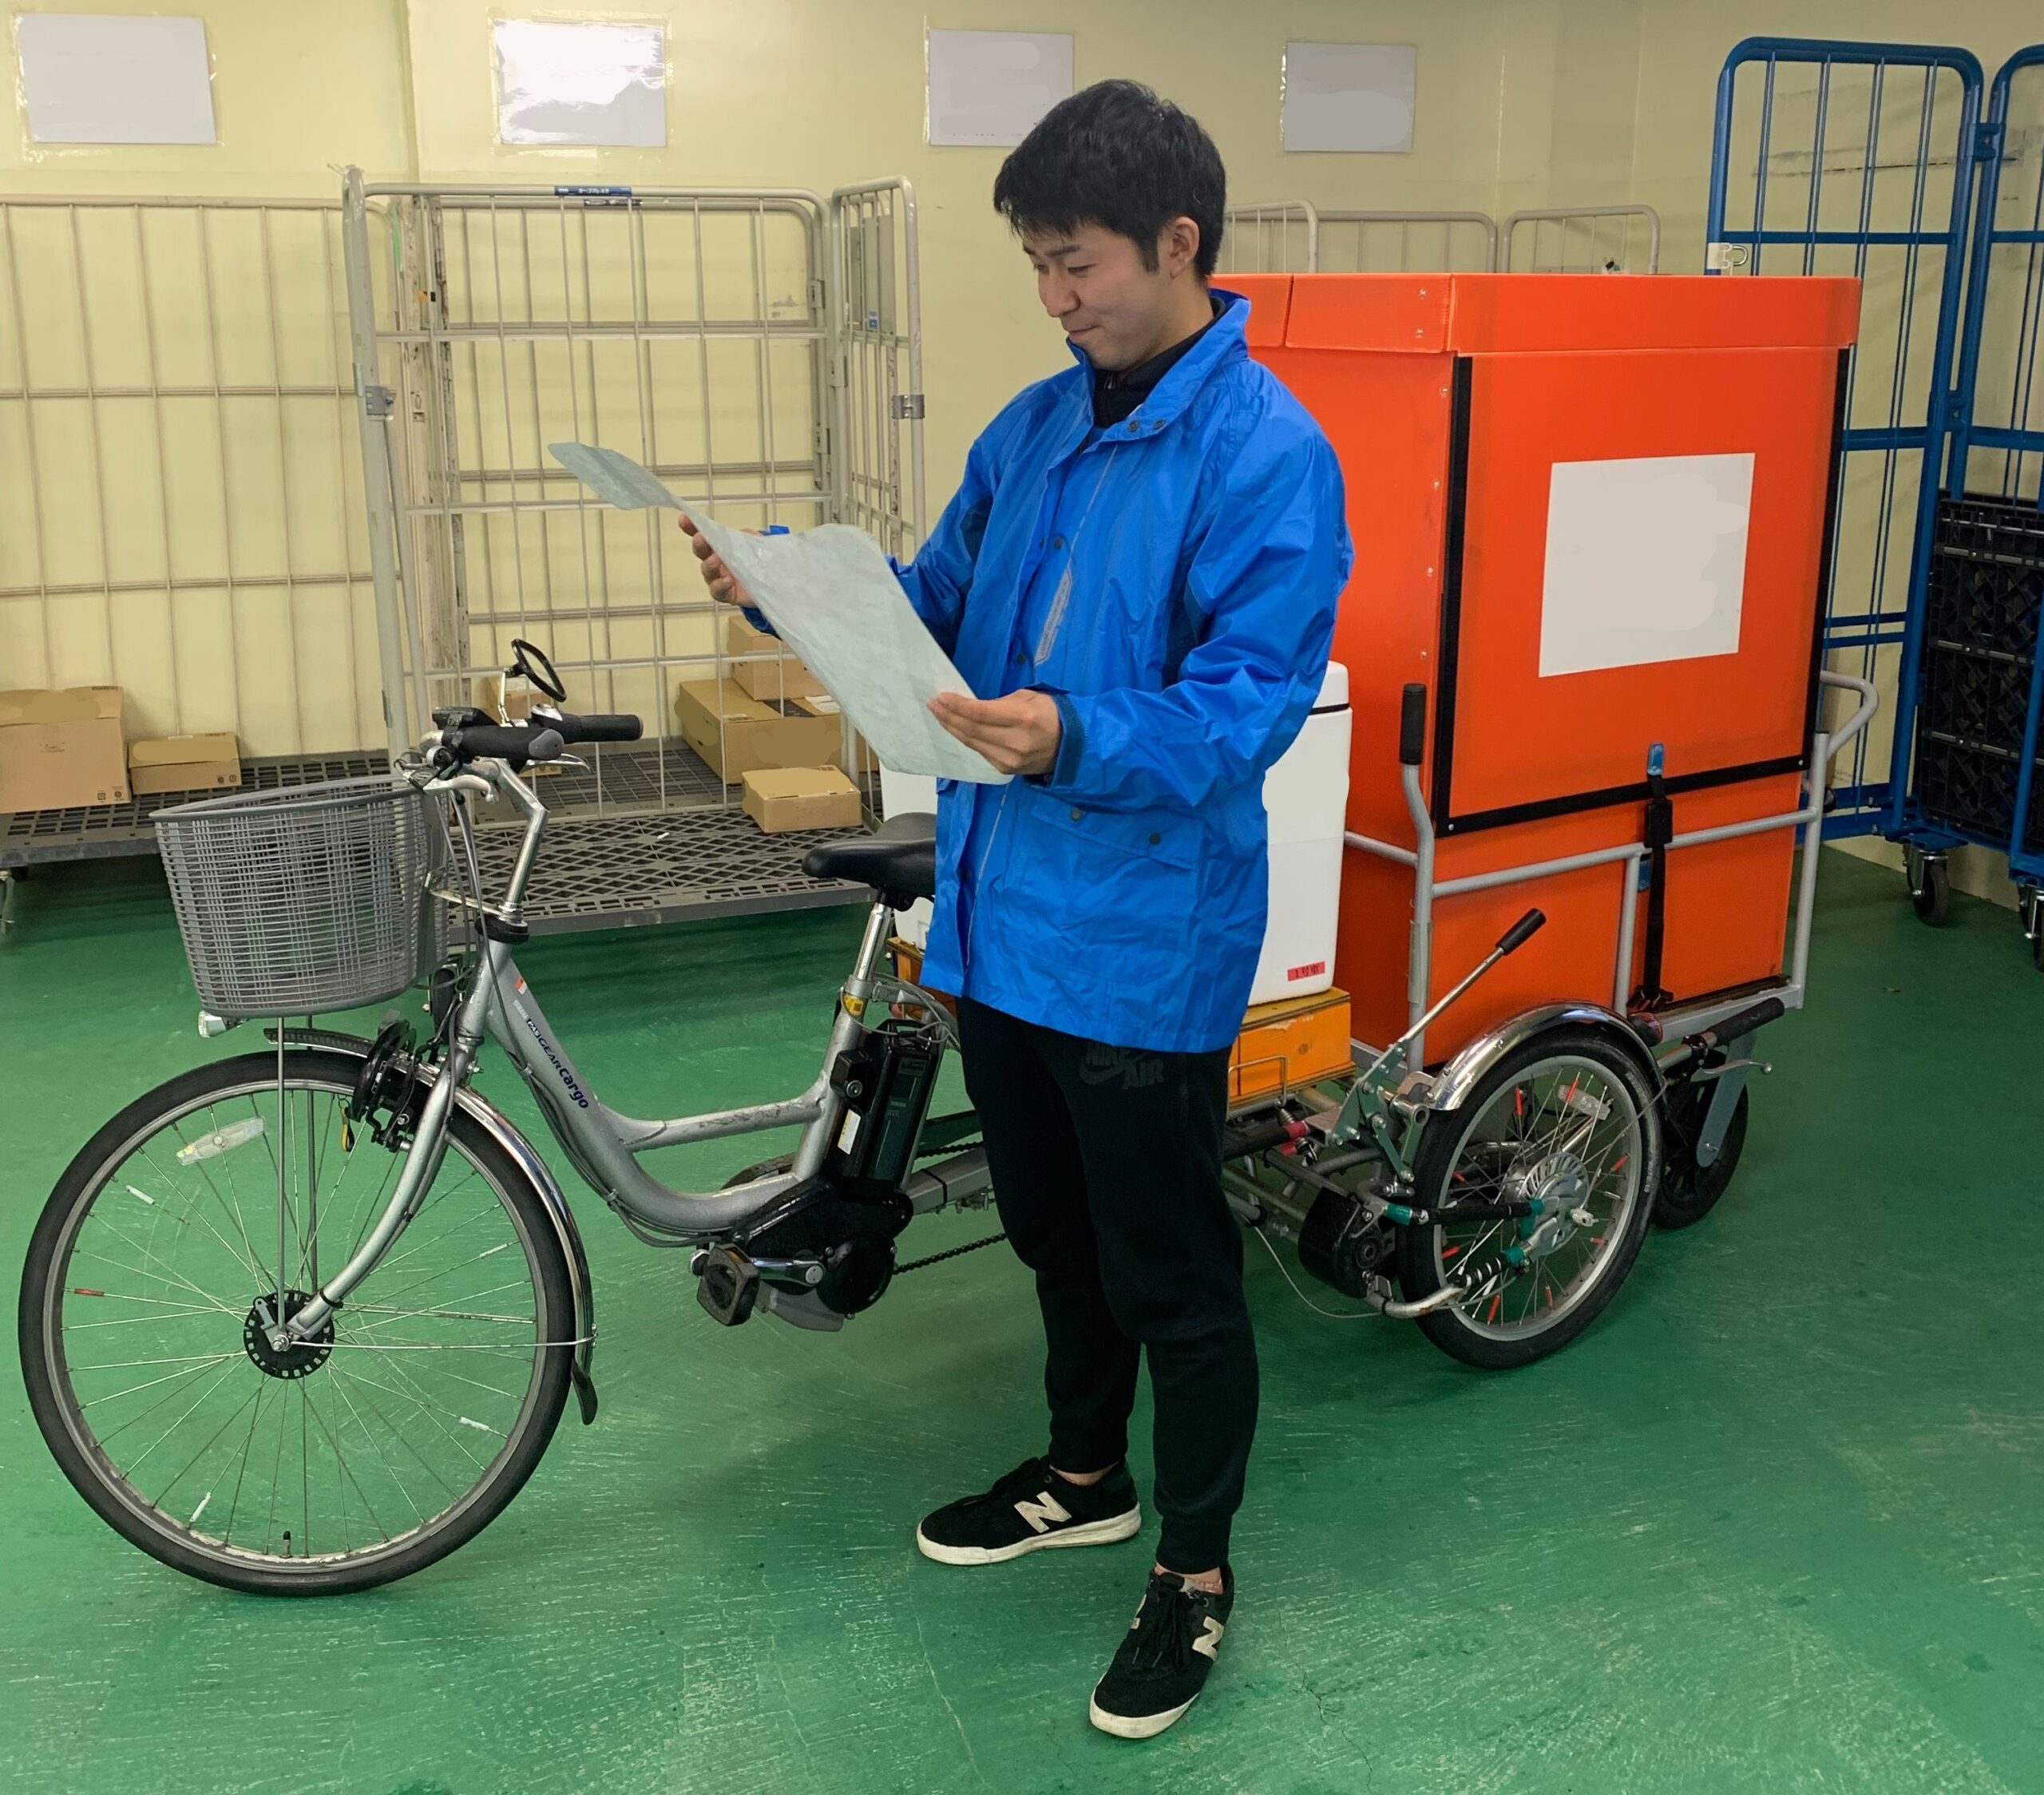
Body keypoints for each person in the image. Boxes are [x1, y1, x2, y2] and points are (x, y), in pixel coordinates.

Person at [684, 79, 1350, 1740]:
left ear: (1176, 243)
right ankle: (1081, 1475)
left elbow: (1247, 706)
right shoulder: (1036, 429)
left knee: (1168, 1270)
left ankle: (1193, 1565)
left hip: (1137, 939)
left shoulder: (1265, 455)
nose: (1054, 300)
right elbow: (929, 606)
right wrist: (786, 586)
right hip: (1001, 918)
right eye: (1038, 268)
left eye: (1077, 265)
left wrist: (1073, 733)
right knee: (1052, 1232)